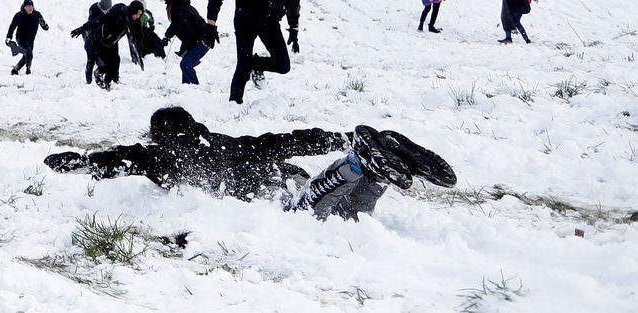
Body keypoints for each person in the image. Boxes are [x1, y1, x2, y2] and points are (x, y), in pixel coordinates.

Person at [43, 106, 455, 222]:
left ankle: (358, 162)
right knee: (349, 213)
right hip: (288, 176)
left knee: (312, 207)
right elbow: (282, 141)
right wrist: (335, 135)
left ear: (159, 136)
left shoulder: (159, 156)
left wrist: (81, 163)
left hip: (276, 201)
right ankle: (384, 166)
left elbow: (118, 161)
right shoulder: (223, 142)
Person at [207, 0, 300, 104]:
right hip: (246, 24)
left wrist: (294, 28)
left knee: (283, 65)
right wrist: (210, 24)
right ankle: (234, 104)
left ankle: (255, 65)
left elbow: (293, 2)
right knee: (242, 69)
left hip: (269, 23)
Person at [161, 0, 210, 84]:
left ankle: (196, 90)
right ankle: (187, 89)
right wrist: (167, 36)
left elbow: (188, 32)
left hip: (203, 40)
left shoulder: (179, 9)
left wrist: (185, 49)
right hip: (198, 39)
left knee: (185, 64)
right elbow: (175, 25)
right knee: (185, 64)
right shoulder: (177, 6)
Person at [6, 0, 47, 75]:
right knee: (29, 54)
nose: (30, 8)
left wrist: (44, 24)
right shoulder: (19, 15)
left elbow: (45, 27)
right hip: (21, 38)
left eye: (31, 6)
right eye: (28, 6)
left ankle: (15, 69)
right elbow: (12, 26)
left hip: (31, 39)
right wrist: (9, 37)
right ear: (24, 7)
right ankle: (28, 71)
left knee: (26, 57)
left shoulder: (37, 14)